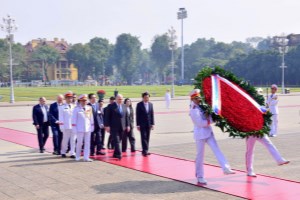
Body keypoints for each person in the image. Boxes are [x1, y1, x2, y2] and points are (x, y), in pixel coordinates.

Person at [189, 89, 235, 184]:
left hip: (208, 133)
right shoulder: (193, 110)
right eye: (196, 98)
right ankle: (200, 176)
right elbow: (200, 123)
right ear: (192, 99)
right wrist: (211, 121)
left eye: (199, 98)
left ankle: (226, 168)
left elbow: (209, 117)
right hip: (200, 134)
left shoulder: (202, 106)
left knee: (217, 149)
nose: (199, 100)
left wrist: (213, 117)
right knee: (200, 156)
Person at [105, 94, 128, 160]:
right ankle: (119, 154)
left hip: (122, 127)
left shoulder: (124, 106)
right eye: (119, 99)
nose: (120, 100)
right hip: (113, 127)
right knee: (117, 141)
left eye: (121, 99)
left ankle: (115, 153)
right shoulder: (111, 106)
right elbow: (107, 117)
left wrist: (127, 125)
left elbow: (126, 117)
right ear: (116, 99)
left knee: (119, 141)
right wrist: (107, 126)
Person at [72, 94, 94, 162]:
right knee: (79, 143)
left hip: (88, 128)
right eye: (82, 101)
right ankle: (77, 156)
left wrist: (92, 126)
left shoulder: (89, 108)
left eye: (85, 100)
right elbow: (74, 120)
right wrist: (74, 129)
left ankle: (86, 157)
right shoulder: (76, 109)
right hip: (80, 128)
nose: (84, 102)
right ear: (80, 101)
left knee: (87, 143)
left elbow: (91, 118)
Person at [136, 92, 154, 157]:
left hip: (148, 124)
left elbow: (152, 114)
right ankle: (144, 151)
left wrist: (152, 124)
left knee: (147, 137)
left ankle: (146, 149)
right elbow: (137, 115)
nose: (147, 99)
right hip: (142, 124)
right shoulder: (139, 104)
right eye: (145, 97)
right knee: (143, 137)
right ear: (143, 98)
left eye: (148, 97)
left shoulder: (151, 104)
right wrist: (138, 125)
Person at [59, 91, 76, 158]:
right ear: (65, 98)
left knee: (73, 140)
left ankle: (72, 153)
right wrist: (61, 126)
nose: (70, 99)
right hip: (66, 126)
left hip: (73, 126)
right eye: (68, 98)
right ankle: (63, 152)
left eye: (71, 98)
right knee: (65, 140)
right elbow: (61, 117)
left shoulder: (74, 106)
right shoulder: (62, 107)